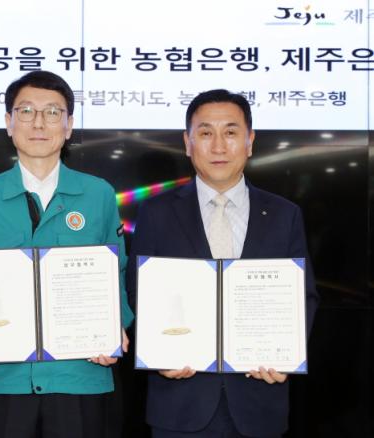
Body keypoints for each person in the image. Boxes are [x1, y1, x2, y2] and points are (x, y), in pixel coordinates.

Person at [0, 70, 134, 438]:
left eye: (52, 112)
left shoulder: (98, 194)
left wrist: (117, 327)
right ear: (8, 122)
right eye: (26, 111)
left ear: (68, 125)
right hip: (3, 372)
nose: (38, 123)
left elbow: (118, 272)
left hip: (79, 372)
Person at [126, 89, 319, 438]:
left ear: (250, 141)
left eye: (230, 132)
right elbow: (137, 293)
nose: (218, 146)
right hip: (180, 404)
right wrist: (156, 351)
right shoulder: (156, 213)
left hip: (259, 400)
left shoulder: (284, 214)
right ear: (188, 143)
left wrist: (286, 355)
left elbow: (303, 297)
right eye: (205, 133)